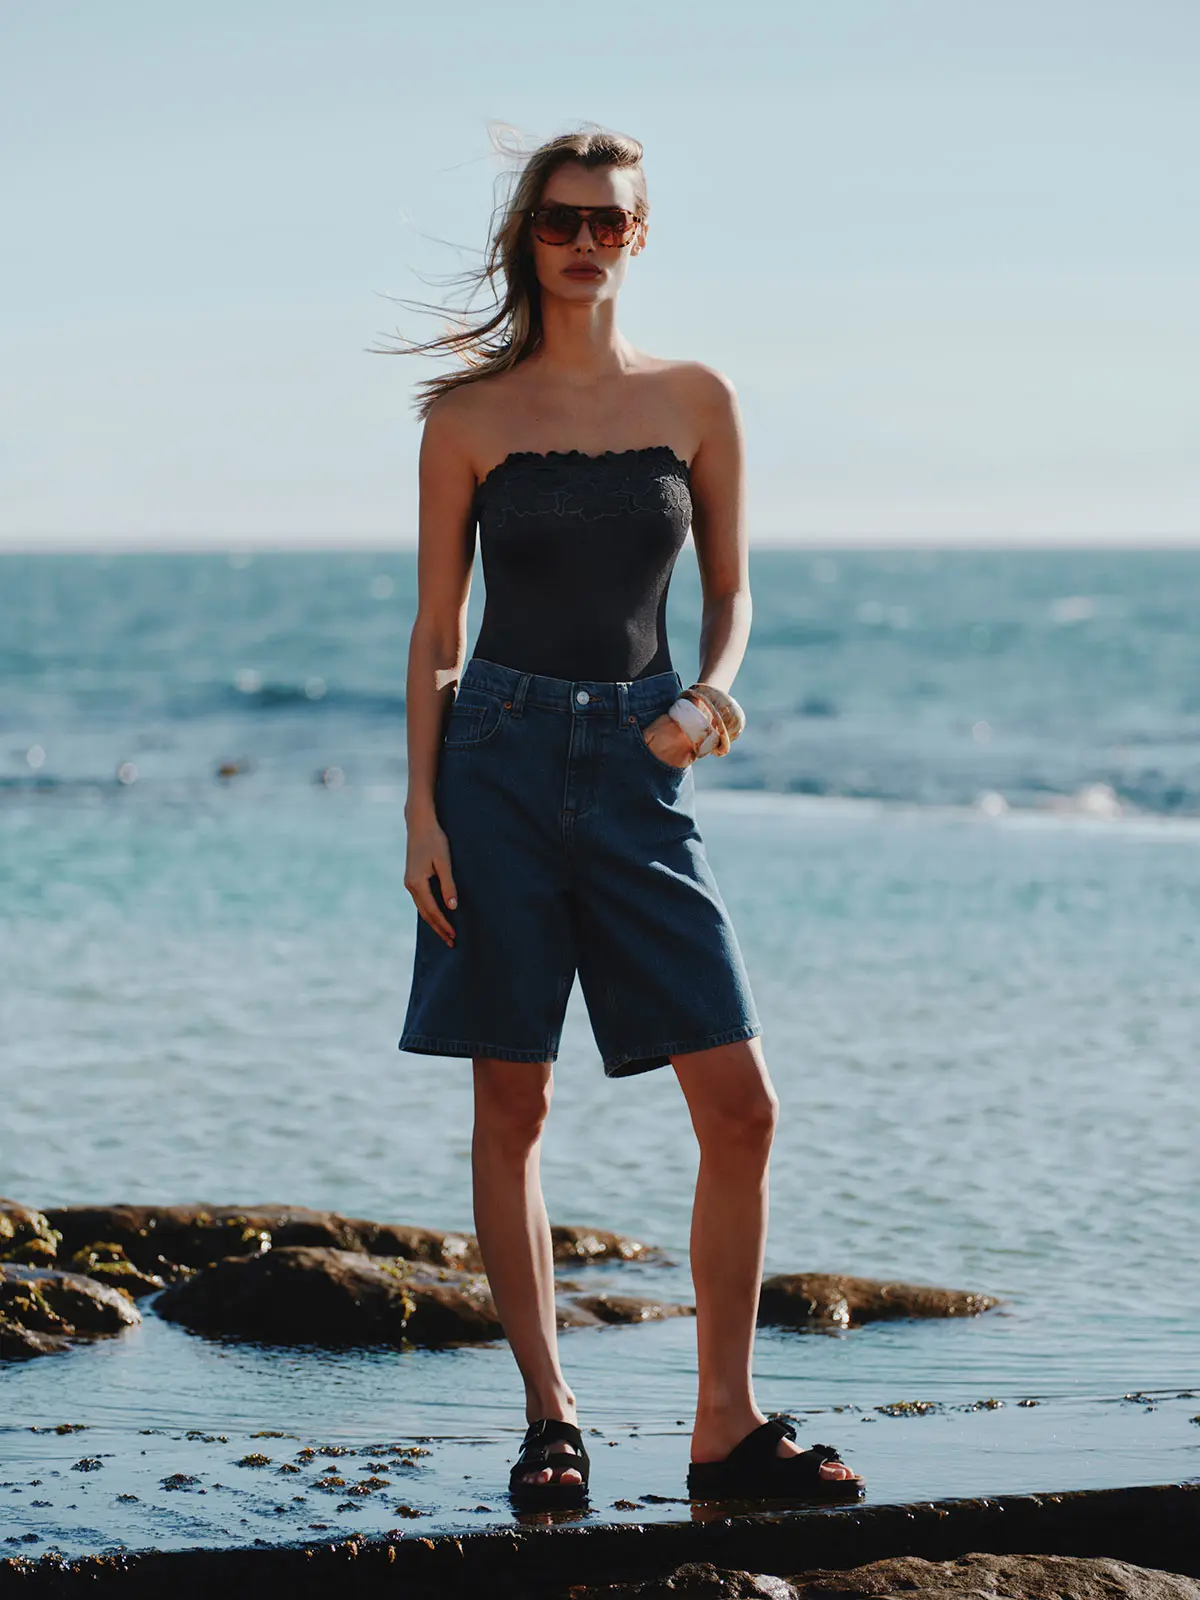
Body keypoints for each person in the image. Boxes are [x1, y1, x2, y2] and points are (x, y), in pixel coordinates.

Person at [392, 124, 864, 1509]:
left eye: (609, 221)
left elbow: (733, 593)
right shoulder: (466, 419)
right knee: (513, 1098)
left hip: (645, 764)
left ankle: (726, 1424)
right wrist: (420, 808)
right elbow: (435, 627)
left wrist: (710, 700)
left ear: (639, 238)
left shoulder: (699, 397)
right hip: (498, 761)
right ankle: (551, 1417)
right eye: (561, 221)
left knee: (742, 1102)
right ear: (525, 238)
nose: (586, 242)